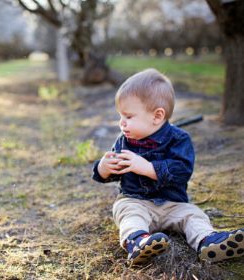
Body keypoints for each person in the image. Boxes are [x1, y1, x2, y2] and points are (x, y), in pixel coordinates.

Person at [92, 68, 244, 265]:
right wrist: (103, 169)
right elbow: (112, 172)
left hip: (173, 204)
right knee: (126, 211)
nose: (121, 123)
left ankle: (208, 242)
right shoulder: (124, 141)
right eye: (120, 116)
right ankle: (138, 241)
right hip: (136, 201)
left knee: (193, 214)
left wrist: (146, 167)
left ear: (157, 116)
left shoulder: (179, 140)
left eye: (128, 117)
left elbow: (181, 172)